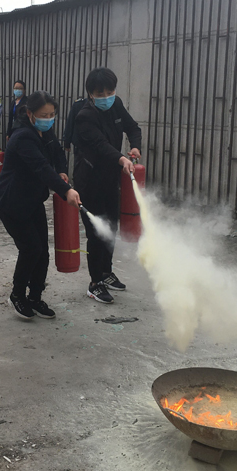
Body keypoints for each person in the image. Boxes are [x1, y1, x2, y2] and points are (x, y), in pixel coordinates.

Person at [0, 90, 81, 320]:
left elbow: (57, 153)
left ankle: (35, 297)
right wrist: (65, 190)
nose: (49, 119)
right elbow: (41, 167)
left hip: (33, 200)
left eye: (52, 115)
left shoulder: (45, 131)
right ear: (30, 113)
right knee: (31, 248)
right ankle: (17, 295)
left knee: (42, 251)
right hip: (12, 202)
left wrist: (62, 170)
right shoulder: (23, 137)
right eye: (44, 115)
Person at [73, 67, 142, 304]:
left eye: (110, 92)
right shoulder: (84, 116)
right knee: (96, 232)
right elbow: (101, 145)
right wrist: (122, 159)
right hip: (89, 181)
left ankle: (106, 271)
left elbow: (133, 127)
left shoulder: (116, 104)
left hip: (111, 178)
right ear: (90, 94)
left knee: (111, 227)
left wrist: (135, 146)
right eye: (100, 93)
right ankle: (95, 283)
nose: (106, 97)